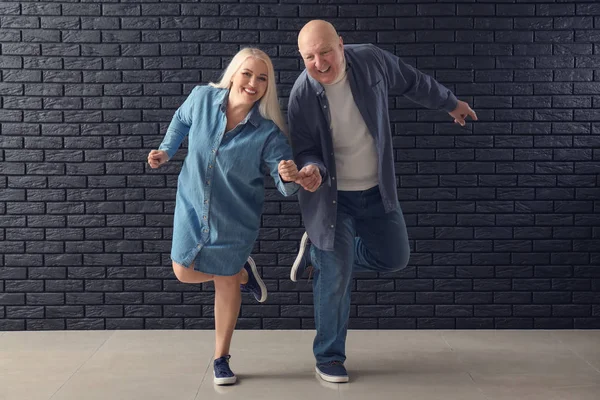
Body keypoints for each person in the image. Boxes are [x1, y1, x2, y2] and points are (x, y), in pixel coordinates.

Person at [288, 20, 477, 383]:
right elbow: (306, 148)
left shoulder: (371, 60)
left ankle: (321, 256)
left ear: (341, 45)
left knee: (395, 258)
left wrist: (451, 103)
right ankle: (328, 357)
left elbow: (413, 81)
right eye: (309, 56)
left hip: (377, 192)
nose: (320, 62)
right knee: (335, 279)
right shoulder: (302, 94)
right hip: (333, 201)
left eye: (325, 51)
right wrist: (312, 168)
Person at [147, 47, 300, 386]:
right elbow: (181, 120)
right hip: (191, 206)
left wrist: (290, 176)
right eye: (247, 73)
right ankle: (244, 273)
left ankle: (221, 357)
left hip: (235, 219)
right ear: (234, 73)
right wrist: (166, 151)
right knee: (183, 271)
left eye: (262, 78)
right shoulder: (202, 98)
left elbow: (284, 181)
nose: (253, 82)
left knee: (223, 280)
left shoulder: (269, 133)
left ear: (267, 86)